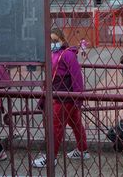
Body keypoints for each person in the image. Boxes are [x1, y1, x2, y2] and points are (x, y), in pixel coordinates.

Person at [33, 28, 89, 168]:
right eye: (50, 41)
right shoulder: (54, 53)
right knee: (75, 123)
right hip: (61, 96)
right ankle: (83, 150)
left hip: (65, 97)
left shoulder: (67, 55)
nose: (52, 43)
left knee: (56, 127)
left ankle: (51, 157)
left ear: (62, 40)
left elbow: (77, 77)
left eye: (55, 40)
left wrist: (78, 98)